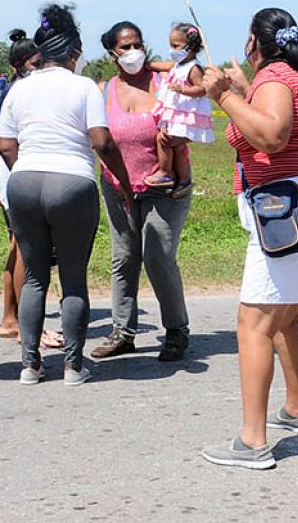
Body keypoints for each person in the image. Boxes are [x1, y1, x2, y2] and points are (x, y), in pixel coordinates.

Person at [199, 8, 298, 469]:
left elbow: (274, 135)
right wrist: (243, 91)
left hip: (288, 213)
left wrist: (224, 97)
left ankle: (253, 441)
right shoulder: (292, 77)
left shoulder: (276, 77)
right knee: (283, 320)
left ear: (252, 42)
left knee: (254, 324)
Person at [0, 4, 132, 387]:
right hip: (71, 182)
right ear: (73, 53)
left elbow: (6, 144)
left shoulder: (20, 88)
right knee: (73, 278)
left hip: (23, 181)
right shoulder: (84, 86)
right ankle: (73, 366)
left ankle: (30, 365)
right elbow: (102, 142)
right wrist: (122, 183)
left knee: (35, 276)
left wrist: (26, 165)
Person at [90, 21, 193, 362]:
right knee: (124, 258)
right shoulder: (104, 91)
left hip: (164, 187)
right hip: (118, 187)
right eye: (126, 47)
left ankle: (177, 330)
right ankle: (123, 331)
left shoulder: (165, 83)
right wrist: (118, 185)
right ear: (112, 54)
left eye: (138, 44)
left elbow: (189, 119)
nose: (134, 52)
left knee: (158, 256)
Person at [0, 29, 40, 340]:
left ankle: (10, 317)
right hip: (20, 179)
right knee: (25, 252)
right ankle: (23, 323)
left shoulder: (14, 92)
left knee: (17, 248)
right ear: (21, 65)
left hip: (16, 179)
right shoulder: (17, 93)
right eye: (36, 62)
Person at [144, 23, 213, 196]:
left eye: (176, 46)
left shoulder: (193, 68)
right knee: (178, 146)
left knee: (164, 139)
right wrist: (148, 65)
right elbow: (165, 65)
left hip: (187, 118)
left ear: (191, 47)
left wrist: (184, 90)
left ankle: (165, 172)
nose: (172, 50)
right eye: (171, 45)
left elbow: (202, 89)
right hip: (178, 116)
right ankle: (183, 180)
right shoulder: (179, 65)